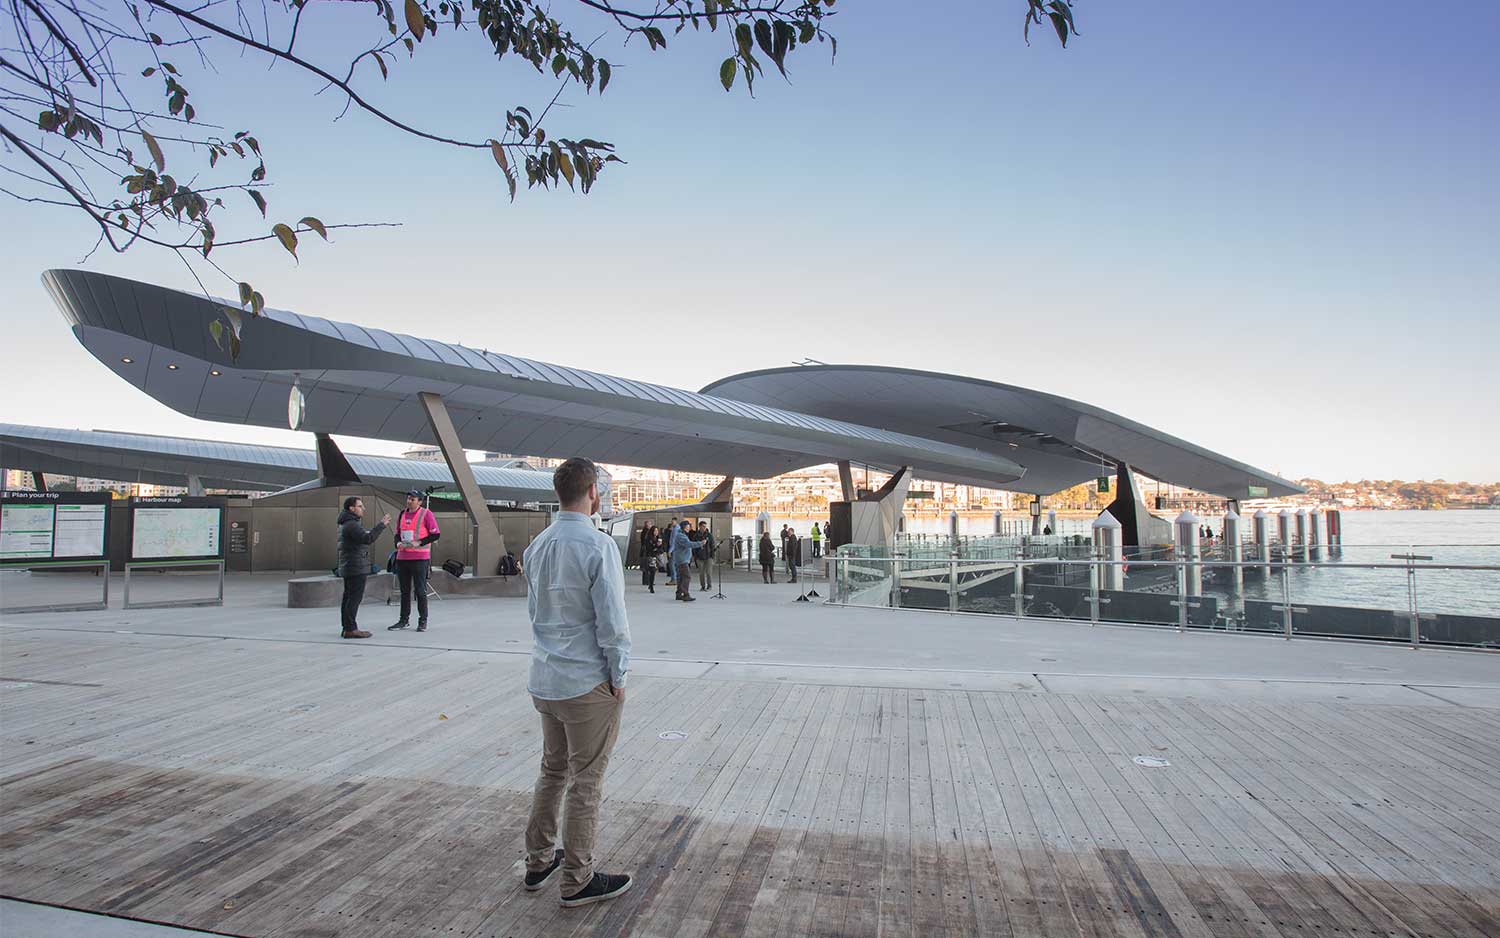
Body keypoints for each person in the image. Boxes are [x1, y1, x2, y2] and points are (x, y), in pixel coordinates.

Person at [520, 457, 633, 908]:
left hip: (545, 677)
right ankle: (577, 879)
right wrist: (618, 674)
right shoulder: (598, 544)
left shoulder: (538, 545)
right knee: (586, 782)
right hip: (587, 682)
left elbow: (534, 614)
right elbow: (612, 621)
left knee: (552, 771)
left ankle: (538, 860)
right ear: (593, 493)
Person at [334, 496, 389, 639]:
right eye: (360, 506)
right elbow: (367, 539)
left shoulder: (346, 524)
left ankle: (347, 628)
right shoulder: (352, 525)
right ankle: (351, 629)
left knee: (348, 598)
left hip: (350, 565)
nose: (363, 508)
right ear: (352, 508)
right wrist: (381, 525)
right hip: (355, 566)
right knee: (353, 598)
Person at [389, 490, 441, 633]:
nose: (409, 501)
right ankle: (403, 620)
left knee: (420, 590)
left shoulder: (426, 514)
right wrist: (398, 543)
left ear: (420, 501)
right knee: (404, 591)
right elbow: (397, 534)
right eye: (408, 498)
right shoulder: (402, 513)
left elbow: (435, 534)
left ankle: (422, 620)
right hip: (403, 557)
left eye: (412, 499)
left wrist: (419, 542)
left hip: (420, 558)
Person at [670, 519, 695, 602]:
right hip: (682, 560)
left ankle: (679, 594)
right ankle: (685, 594)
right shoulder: (681, 535)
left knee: (681, 577)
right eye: (688, 526)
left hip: (682, 559)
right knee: (687, 576)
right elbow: (688, 544)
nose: (689, 528)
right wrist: (701, 543)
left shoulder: (682, 534)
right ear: (684, 527)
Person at [639, 524, 660, 594]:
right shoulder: (649, 538)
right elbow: (649, 548)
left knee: (652, 571)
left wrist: (659, 546)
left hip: (654, 556)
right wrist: (656, 545)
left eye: (657, 530)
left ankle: (650, 584)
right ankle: (651, 586)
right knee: (652, 571)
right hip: (650, 556)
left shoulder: (658, 538)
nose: (656, 532)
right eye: (655, 530)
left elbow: (660, 548)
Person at [696, 521, 716, 591]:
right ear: (700, 526)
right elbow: (694, 546)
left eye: (705, 526)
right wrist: (696, 556)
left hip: (708, 557)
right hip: (699, 557)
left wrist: (713, 557)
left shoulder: (709, 535)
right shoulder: (696, 535)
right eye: (703, 526)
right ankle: (702, 586)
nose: (704, 528)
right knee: (701, 573)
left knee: (708, 572)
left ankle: (709, 586)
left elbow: (713, 546)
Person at [664, 517, 678, 583]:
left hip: (674, 549)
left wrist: (670, 551)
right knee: (673, 564)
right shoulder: (675, 528)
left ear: (676, 521)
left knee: (672, 564)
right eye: (671, 522)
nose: (672, 523)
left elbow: (673, 541)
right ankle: (675, 578)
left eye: (673, 522)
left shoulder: (675, 530)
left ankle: (674, 579)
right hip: (675, 549)